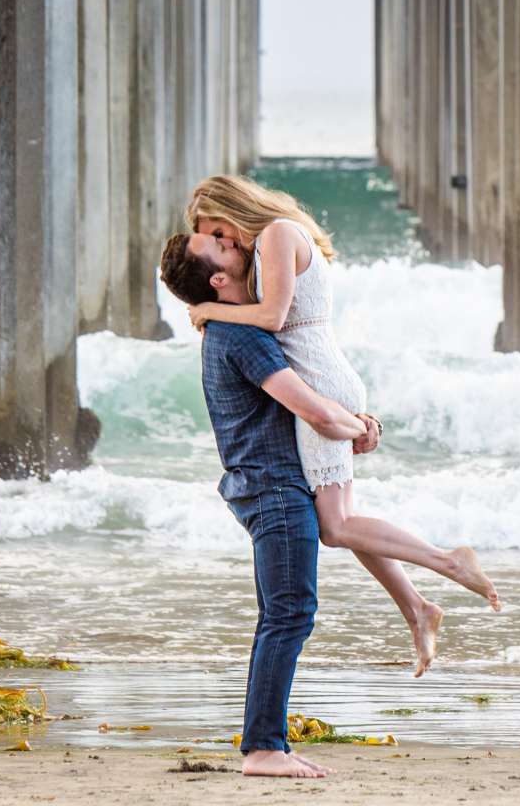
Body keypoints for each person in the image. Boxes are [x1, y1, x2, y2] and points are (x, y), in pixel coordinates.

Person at [169, 174, 501, 678]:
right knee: (340, 520)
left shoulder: (278, 233)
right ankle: (417, 608)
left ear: (232, 209)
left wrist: (208, 308)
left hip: (321, 383)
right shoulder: (270, 241)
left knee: (337, 525)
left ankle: (449, 562)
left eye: (214, 229)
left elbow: (276, 317)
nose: (221, 240)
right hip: (320, 382)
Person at [160, 232, 375, 778]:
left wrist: (353, 424)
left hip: (266, 484)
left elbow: (319, 411)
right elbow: (315, 413)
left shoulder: (229, 328)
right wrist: (363, 430)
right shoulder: (242, 336)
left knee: (282, 614)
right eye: (218, 243)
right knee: (289, 614)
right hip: (274, 487)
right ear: (217, 278)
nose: (233, 240)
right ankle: (262, 748)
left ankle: (265, 742)